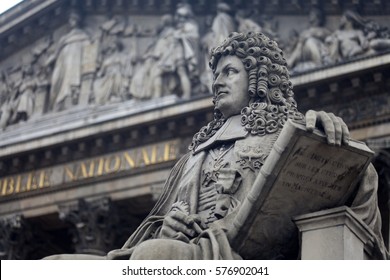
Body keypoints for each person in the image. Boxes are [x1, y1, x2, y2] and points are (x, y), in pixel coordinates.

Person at [44, 31, 387, 260]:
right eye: (216, 74)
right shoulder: (196, 153)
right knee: (56, 264)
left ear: (257, 78)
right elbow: (149, 229)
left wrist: (332, 142)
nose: (217, 82)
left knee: (155, 257)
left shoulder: (289, 134)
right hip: (188, 252)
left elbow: (349, 180)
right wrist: (167, 226)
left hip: (235, 258)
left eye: (229, 72)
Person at [46, 11, 90, 111]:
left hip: (75, 65)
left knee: (70, 83)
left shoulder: (83, 36)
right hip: (62, 65)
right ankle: (57, 103)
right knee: (56, 82)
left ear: (78, 21)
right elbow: (55, 54)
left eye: (74, 19)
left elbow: (89, 49)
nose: (71, 22)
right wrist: (48, 62)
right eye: (70, 19)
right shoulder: (64, 39)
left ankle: (70, 100)